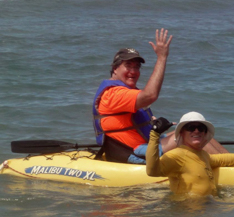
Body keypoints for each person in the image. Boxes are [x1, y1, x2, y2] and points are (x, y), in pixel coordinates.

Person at [92, 28, 227, 163]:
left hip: (145, 144)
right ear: (115, 69)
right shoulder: (113, 94)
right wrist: (162, 57)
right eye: (128, 66)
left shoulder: (123, 91)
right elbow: (150, 95)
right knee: (193, 136)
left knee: (202, 135)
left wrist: (154, 125)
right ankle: (232, 170)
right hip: (133, 151)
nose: (133, 71)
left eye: (137, 67)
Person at [146, 112, 234, 196]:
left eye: (201, 128)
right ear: (182, 133)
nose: (197, 131)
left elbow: (221, 159)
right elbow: (152, 171)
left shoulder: (203, 156)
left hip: (207, 211)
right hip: (187, 215)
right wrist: (154, 134)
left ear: (205, 133)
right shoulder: (176, 156)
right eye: (191, 127)